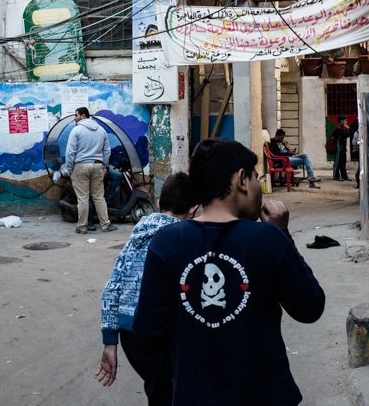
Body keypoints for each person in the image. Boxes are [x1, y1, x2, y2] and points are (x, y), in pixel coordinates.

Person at [133, 138, 325, 405]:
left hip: (194, 395)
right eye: (257, 179)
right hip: (265, 395)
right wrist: (283, 234)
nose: (260, 189)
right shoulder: (268, 238)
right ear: (242, 179)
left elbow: (147, 331)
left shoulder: (166, 242)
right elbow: (310, 306)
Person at [97, 172, 195, 404]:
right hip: (161, 335)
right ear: (193, 209)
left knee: (158, 389)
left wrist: (110, 342)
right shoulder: (184, 240)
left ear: (159, 203)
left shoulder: (137, 235)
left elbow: (111, 288)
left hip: (131, 339)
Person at [63, 107, 117, 234]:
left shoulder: (76, 130)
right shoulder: (101, 130)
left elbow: (70, 152)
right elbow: (107, 151)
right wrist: (104, 166)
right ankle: (105, 225)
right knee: (99, 197)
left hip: (80, 167)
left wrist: (69, 169)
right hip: (97, 166)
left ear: (83, 116)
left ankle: (82, 227)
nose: (74, 118)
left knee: (83, 198)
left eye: (76, 115)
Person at [330, 116, 350, 181]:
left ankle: (344, 175)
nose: (346, 123)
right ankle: (336, 175)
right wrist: (347, 128)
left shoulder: (342, 128)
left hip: (343, 148)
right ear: (341, 121)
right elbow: (345, 135)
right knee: (337, 162)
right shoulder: (338, 129)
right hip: (339, 148)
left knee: (343, 162)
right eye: (345, 121)